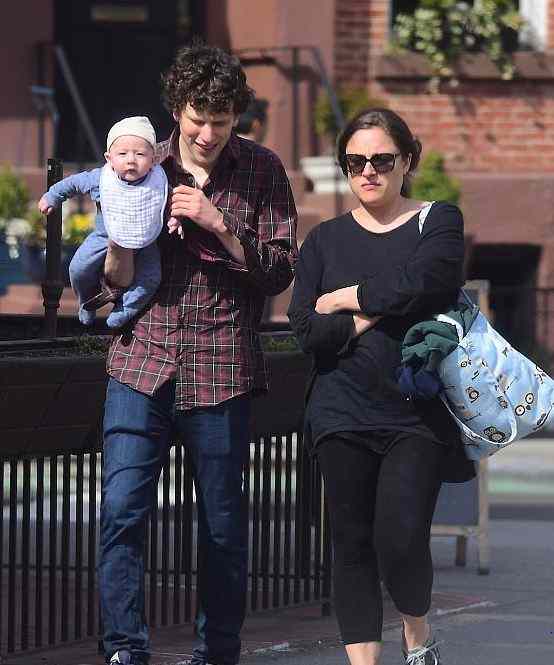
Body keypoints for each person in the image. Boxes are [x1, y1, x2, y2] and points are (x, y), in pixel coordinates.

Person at [100, 43, 298, 665]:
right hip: (141, 363)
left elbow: (278, 272)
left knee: (220, 526)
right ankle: (125, 651)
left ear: (237, 116)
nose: (208, 132)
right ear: (176, 110)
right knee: (121, 511)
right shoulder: (140, 165)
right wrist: (122, 239)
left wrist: (219, 224)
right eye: (197, 117)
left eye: (221, 118)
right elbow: (113, 281)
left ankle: (217, 651)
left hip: (221, 369)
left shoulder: (262, 171)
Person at [287, 108, 475, 665]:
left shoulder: (436, 221)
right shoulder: (323, 241)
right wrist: (381, 308)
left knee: (400, 538)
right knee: (351, 543)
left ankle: (417, 632)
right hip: (340, 409)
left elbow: (430, 282)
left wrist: (346, 299)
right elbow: (307, 332)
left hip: (414, 414)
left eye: (381, 160)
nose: (368, 172)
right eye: (355, 162)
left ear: (407, 161)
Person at [38, 116, 167, 329]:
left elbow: (168, 204)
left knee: (151, 278)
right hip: (104, 237)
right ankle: (87, 302)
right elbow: (73, 183)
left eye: (140, 153)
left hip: (145, 241)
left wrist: (174, 220)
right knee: (78, 268)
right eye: (122, 153)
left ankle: (125, 309)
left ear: (153, 158)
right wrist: (53, 196)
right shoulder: (101, 179)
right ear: (109, 158)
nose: (131, 160)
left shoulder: (158, 182)